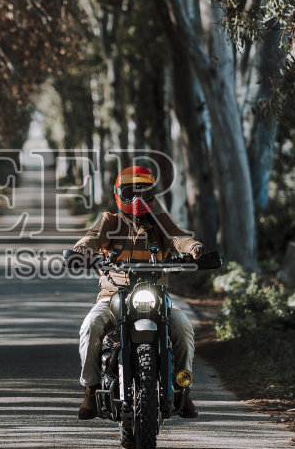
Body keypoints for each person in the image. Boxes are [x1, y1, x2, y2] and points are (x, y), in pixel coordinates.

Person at [70, 165, 203, 420]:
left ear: (153, 194)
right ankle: (91, 388)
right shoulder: (109, 221)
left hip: (155, 294)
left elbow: (179, 239)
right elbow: (91, 238)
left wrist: (194, 247)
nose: (137, 199)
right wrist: (82, 250)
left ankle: (183, 389)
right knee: (90, 326)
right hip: (114, 296)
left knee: (183, 328)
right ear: (119, 193)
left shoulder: (161, 222)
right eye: (131, 192)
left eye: (144, 192)